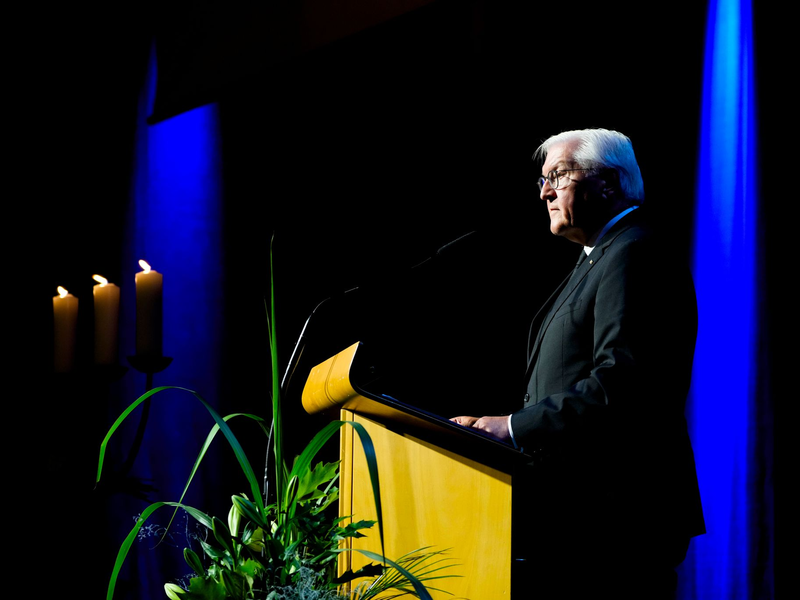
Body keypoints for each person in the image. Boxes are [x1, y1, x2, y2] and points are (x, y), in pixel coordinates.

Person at [451, 128, 704, 598]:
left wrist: (512, 426)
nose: (545, 191)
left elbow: (623, 383)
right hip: (579, 512)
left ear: (607, 183)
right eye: (543, 180)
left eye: (559, 176)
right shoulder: (599, 257)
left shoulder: (633, 252)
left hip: (617, 513)